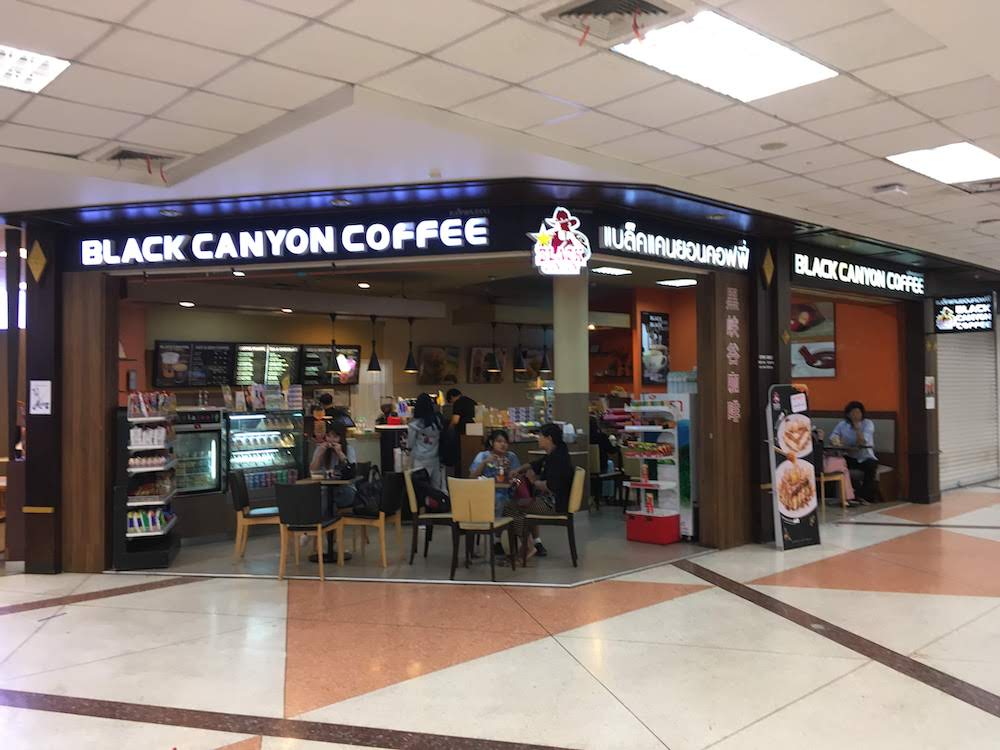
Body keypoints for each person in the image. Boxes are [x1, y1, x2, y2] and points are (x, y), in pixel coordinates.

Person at [507, 423, 574, 559]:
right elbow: (535, 464)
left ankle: (528, 547)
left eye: (540, 436)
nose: (538, 438)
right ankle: (527, 545)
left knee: (511, 507)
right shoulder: (556, 452)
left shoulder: (558, 459)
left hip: (553, 504)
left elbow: (551, 486)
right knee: (518, 504)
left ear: (549, 438)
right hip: (553, 501)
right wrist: (518, 470)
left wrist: (534, 482)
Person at [829, 400, 878, 504]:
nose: (856, 415)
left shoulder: (868, 424)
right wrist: (836, 440)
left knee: (871, 467)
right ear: (848, 414)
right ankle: (843, 496)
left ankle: (865, 497)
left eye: (858, 412)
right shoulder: (842, 424)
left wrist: (857, 428)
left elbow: (862, 442)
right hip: (850, 456)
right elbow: (833, 437)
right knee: (837, 464)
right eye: (853, 413)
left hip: (865, 457)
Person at [469, 429, 521, 515]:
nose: (503, 444)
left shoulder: (511, 457)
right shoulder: (483, 456)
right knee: (496, 498)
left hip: (507, 492)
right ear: (491, 442)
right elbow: (472, 477)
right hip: (485, 491)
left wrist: (508, 470)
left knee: (500, 498)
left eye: (505, 442)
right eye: (499, 441)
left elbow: (517, 480)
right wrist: (484, 463)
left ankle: (497, 521)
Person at [309, 423, 357, 509]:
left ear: (341, 438)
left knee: (327, 497)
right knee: (319, 494)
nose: (331, 440)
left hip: (345, 489)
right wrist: (319, 454)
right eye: (328, 436)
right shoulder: (320, 448)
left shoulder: (349, 449)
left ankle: (328, 516)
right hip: (324, 487)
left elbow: (351, 471)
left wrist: (340, 453)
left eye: (335, 437)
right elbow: (312, 471)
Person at [408, 392, 444, 490]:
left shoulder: (414, 424)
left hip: (419, 459)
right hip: (435, 458)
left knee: (420, 488)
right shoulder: (437, 422)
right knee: (436, 487)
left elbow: (410, 443)